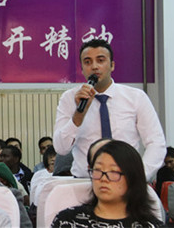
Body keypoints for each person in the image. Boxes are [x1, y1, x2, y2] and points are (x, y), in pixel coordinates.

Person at [53, 39, 166, 180]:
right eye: (87, 62)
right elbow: (61, 148)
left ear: (112, 65)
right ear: (81, 69)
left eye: (100, 60)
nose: (94, 67)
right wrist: (78, 115)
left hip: (127, 182)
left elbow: (156, 142)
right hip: (84, 182)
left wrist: (139, 175)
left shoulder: (136, 97)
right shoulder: (70, 98)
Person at [51, 140, 163, 227]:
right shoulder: (67, 221)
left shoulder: (151, 225)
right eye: (98, 170)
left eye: (113, 172)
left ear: (132, 177)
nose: (103, 179)